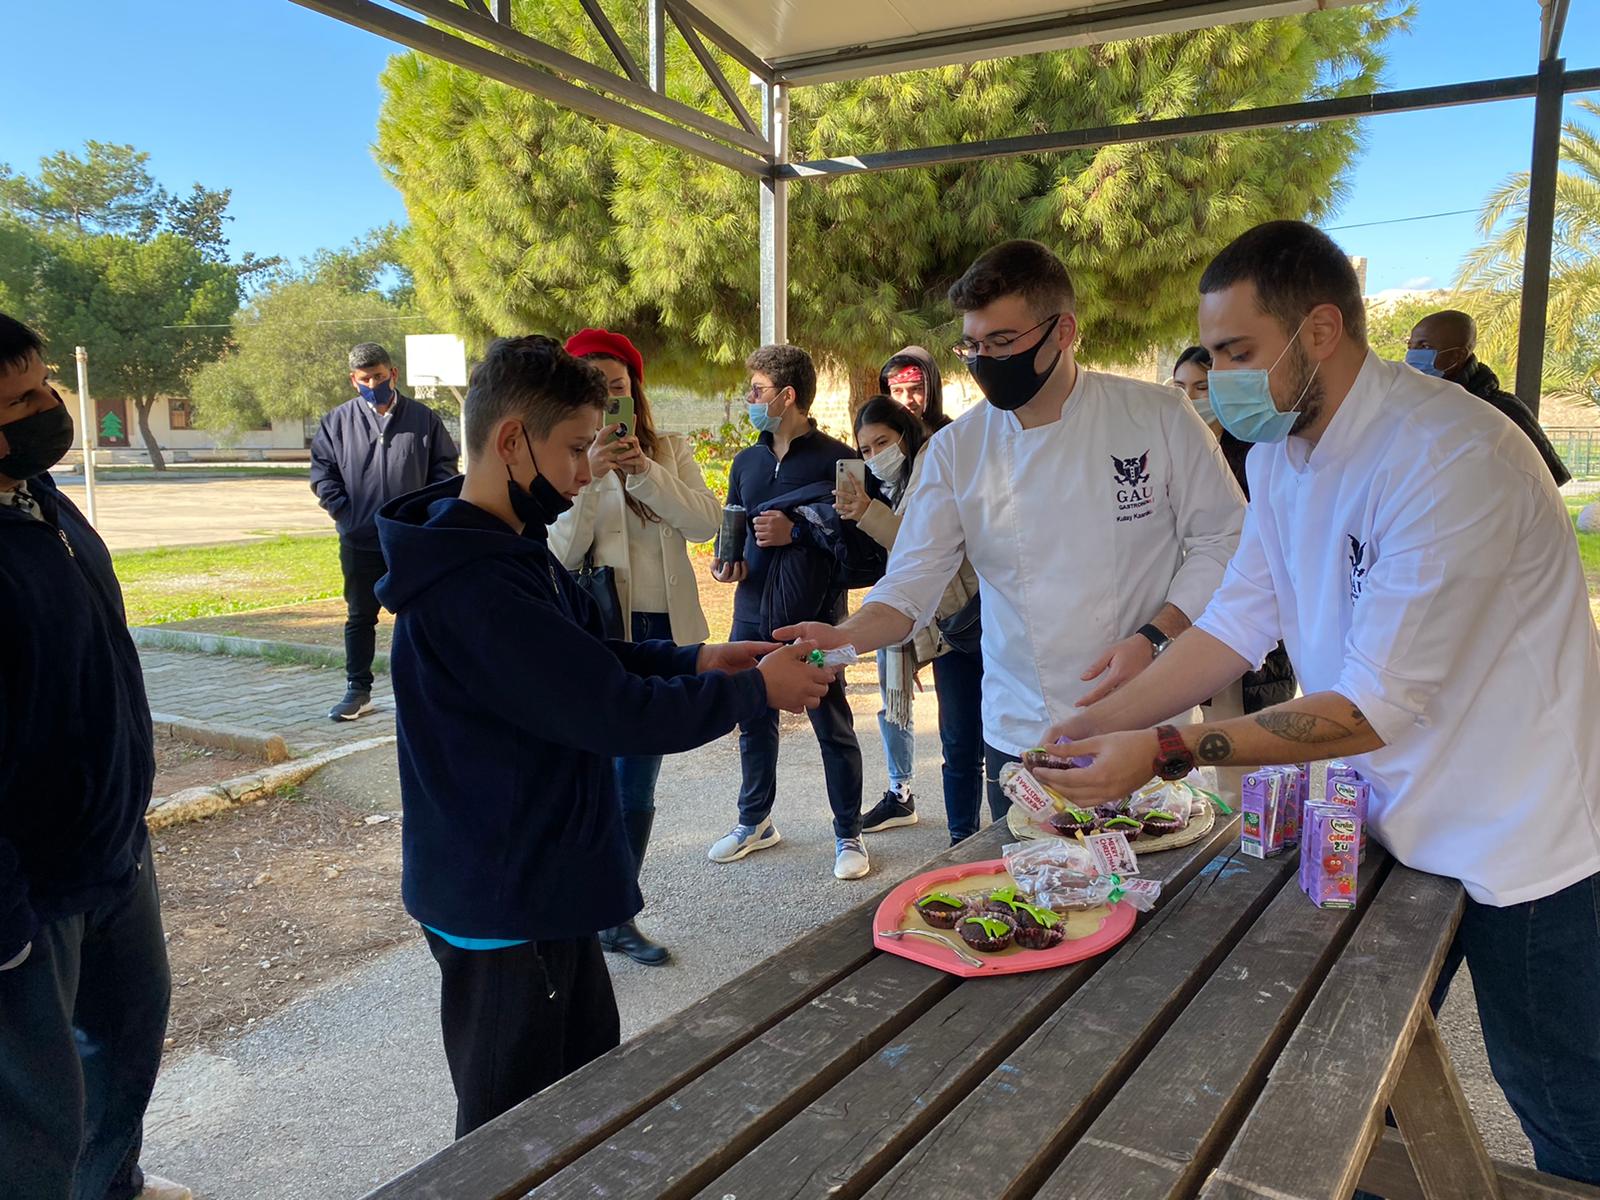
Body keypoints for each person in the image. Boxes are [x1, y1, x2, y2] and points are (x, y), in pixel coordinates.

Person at [1041, 221, 1600, 1188]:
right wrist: (1102, 721)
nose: (1217, 380)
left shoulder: (1447, 455)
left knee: (1561, 1101)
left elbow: (1371, 706)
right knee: (1350, 1082)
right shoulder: (1278, 460)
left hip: (1528, 841)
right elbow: (1232, 624)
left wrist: (1169, 748)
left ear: (1322, 331)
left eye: (1237, 353)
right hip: (1393, 827)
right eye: (1210, 355)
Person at [373, 334, 831, 1137]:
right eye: (575, 449)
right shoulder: (475, 584)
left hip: (545, 886)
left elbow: (584, 660)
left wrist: (697, 656)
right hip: (507, 902)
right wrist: (755, 690)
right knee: (512, 1132)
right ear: (512, 441)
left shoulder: (503, 550)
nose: (586, 470)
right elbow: (609, 709)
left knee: (584, 1095)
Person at [776, 240, 1245, 820]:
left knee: (1166, 895)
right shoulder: (956, 451)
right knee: (1035, 898)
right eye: (972, 345)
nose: (983, 359)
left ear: (1063, 331)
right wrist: (840, 639)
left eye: (1001, 343)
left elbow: (1223, 540)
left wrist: (1155, 636)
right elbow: (911, 586)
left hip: (1147, 714)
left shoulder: (1157, 418)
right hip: (1023, 723)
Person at [0, 313, 190, 1200]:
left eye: (44, 384)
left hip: (114, 846)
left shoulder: (39, 496)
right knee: (33, 1119)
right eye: (21, 398)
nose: (49, 405)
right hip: (29, 892)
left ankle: (112, 1182)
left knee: (125, 1046)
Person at [550, 328, 720, 966]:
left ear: (635, 390)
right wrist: (589, 476)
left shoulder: (669, 451)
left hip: (660, 632)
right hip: (592, 632)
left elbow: (704, 523)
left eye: (616, 388)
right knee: (582, 777)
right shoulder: (562, 464)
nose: (607, 401)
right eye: (594, 391)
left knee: (635, 787)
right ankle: (575, 909)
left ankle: (617, 914)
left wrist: (643, 472)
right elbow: (559, 553)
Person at [707, 344, 870, 881]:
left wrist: (796, 530)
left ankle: (849, 831)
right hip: (751, 612)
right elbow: (732, 526)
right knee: (754, 717)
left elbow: (861, 549)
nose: (748, 400)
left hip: (815, 617)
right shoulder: (747, 461)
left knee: (832, 723)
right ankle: (755, 821)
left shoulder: (840, 460)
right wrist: (725, 566)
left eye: (755, 391)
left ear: (788, 396)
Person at [836, 395, 984, 843]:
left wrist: (866, 513)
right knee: (958, 740)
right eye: (864, 450)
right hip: (948, 627)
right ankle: (963, 840)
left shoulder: (933, 463)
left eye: (882, 441)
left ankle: (996, 838)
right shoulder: (901, 481)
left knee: (989, 739)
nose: (874, 455)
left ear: (906, 433)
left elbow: (921, 547)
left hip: (976, 618)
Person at [310, 342, 460, 722]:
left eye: (379, 376)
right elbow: (323, 474)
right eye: (365, 379)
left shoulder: (424, 419)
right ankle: (358, 690)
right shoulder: (336, 422)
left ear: (393, 373)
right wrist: (345, 514)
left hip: (409, 540)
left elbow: (444, 470)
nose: (373, 383)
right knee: (361, 616)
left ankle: (425, 689)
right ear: (353, 380)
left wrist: (426, 519)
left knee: (419, 616)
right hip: (359, 539)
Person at [1171, 346, 1295, 715]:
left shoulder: (1258, 452)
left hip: (1248, 623)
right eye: (1179, 387)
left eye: (1201, 387)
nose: (1188, 398)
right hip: (1194, 615)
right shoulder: (1172, 454)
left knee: (1241, 743)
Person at [1405, 310, 1571, 485]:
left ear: (1458, 355)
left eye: (1425, 347)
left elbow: (1550, 477)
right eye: (1410, 346)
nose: (1412, 355)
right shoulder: (1412, 405)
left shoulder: (1503, 410)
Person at [879, 346, 949, 428]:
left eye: (915, 389)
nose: (907, 401)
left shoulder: (952, 436)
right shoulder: (887, 436)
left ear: (930, 389)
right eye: (897, 391)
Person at [1171, 344, 1220, 437]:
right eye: (1179, 388)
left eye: (1202, 387)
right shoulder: (1163, 440)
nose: (1187, 396)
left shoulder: (1249, 446)